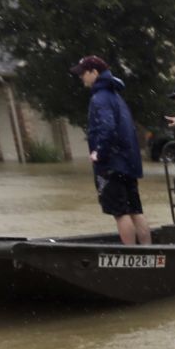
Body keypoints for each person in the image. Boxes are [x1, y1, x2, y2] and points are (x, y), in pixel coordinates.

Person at [70, 55, 150, 246]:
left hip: (112, 165)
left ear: (94, 73)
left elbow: (107, 127)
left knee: (120, 213)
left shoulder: (100, 98)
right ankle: (148, 251)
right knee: (135, 211)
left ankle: (131, 255)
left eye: (83, 73)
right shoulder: (117, 96)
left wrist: (99, 152)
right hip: (128, 164)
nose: (81, 77)